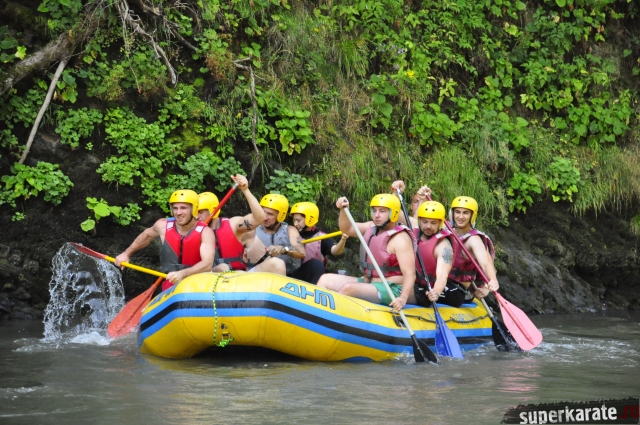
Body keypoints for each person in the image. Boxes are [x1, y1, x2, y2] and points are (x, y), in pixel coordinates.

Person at [317, 194, 416, 311]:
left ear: (394, 213)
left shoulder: (400, 239)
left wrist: (403, 298)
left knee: (349, 289)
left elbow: (410, 274)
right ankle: (316, 314)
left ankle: (330, 315)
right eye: (374, 210)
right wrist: (344, 210)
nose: (376, 215)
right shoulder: (371, 227)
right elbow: (347, 229)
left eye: (382, 211)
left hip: (393, 288)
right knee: (325, 280)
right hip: (368, 281)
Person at [114, 190, 215, 291]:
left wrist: (182, 274)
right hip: (171, 284)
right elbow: (146, 236)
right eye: (175, 208)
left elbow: (207, 264)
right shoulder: (163, 225)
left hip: (198, 284)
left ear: (194, 209)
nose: (178, 212)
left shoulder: (205, 232)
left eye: (183, 208)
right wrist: (126, 254)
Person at [242, 193, 320, 283]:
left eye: (270, 214)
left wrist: (282, 249)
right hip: (259, 277)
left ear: (281, 215)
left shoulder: (290, 230)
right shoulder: (251, 229)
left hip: (289, 279)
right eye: (263, 212)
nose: (265, 217)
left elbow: (301, 252)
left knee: (315, 264)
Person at [196, 175, 266, 272]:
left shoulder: (233, 225)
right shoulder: (192, 231)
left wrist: (245, 190)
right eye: (194, 212)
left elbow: (260, 218)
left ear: (213, 210)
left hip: (237, 275)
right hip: (209, 275)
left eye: (200, 212)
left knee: (276, 264)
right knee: (223, 267)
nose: (196, 217)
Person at [447, 195, 499, 299]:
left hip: (458, 289)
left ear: (472, 215)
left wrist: (491, 282)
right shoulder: (445, 229)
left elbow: (486, 263)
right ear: (452, 213)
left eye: (465, 213)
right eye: (457, 212)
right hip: (439, 282)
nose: (460, 216)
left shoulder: (474, 239)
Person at [290, 201, 349, 269]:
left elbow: (335, 251)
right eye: (294, 220)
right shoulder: (290, 233)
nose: (295, 224)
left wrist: (343, 239)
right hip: (292, 272)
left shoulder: (321, 237)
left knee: (316, 264)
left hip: (311, 272)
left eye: (298, 220)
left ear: (310, 219)